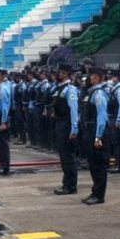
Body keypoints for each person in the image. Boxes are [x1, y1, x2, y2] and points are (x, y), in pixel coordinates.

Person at [80, 67, 110, 205]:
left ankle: (99, 195)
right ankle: (95, 191)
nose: (88, 79)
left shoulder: (98, 94)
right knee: (93, 163)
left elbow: (101, 116)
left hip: (96, 131)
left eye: (91, 76)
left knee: (99, 165)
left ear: (97, 78)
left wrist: (98, 136)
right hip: (89, 130)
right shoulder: (92, 92)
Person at [51, 63, 80, 195]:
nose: (58, 75)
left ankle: (71, 185)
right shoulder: (60, 88)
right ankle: (66, 183)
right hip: (60, 123)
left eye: (61, 73)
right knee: (63, 156)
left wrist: (74, 129)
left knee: (68, 157)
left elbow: (74, 110)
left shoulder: (70, 89)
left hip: (67, 124)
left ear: (67, 74)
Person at [0, 69, 12, 176]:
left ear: (0, 76)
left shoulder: (3, 89)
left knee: (3, 143)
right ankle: (2, 164)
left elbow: (5, 107)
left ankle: (5, 166)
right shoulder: (1, 87)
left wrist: (3, 122)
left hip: (1, 117)